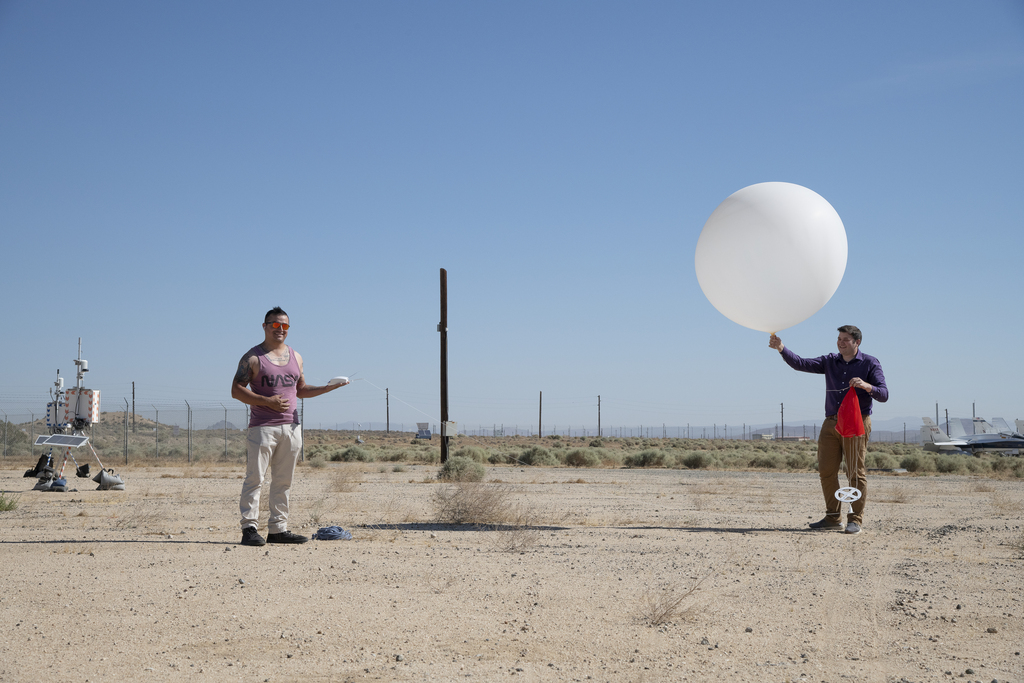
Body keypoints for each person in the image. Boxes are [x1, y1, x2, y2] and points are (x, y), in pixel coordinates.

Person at [231, 307, 349, 546]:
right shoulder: (253, 358)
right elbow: (236, 390)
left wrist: (328, 388)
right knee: (255, 478)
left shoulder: (296, 357)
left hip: (291, 427)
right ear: (264, 326)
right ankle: (249, 528)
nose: (280, 330)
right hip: (263, 427)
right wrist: (267, 401)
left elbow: (301, 390)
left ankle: (278, 529)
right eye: (275, 325)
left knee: (284, 480)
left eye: (284, 326)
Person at [769, 325, 888, 535]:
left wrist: (866, 386)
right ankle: (833, 518)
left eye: (846, 339)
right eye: (839, 339)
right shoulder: (830, 361)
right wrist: (781, 348)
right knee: (826, 471)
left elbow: (884, 394)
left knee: (854, 472)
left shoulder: (870, 363)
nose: (841, 342)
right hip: (831, 423)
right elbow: (800, 364)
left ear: (857, 342)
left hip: (856, 422)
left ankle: (855, 520)